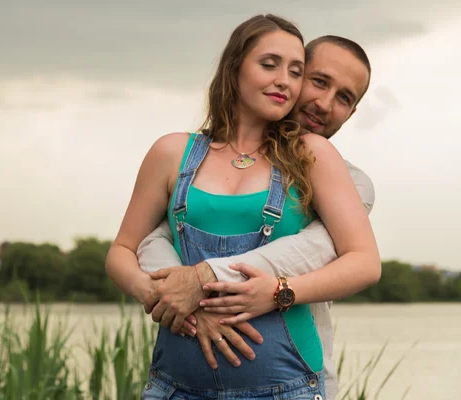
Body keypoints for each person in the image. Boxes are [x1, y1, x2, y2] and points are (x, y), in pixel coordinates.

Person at [105, 14, 380, 400]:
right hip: (176, 387)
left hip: (288, 383)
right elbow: (139, 244)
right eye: (316, 81)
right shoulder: (176, 154)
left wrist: (272, 291)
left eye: (295, 72)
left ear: (351, 114)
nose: (321, 101)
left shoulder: (325, 164)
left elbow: (347, 257)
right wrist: (172, 300)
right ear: (235, 67)